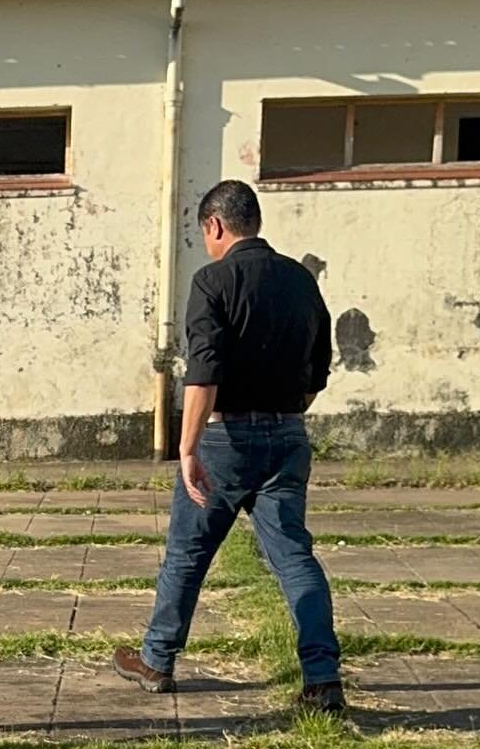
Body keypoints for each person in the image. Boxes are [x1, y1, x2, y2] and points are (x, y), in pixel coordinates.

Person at [114, 180, 345, 715]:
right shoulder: (301, 281)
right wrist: (284, 414)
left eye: (205, 233)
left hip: (225, 439)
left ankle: (156, 661)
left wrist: (188, 447)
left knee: (187, 555)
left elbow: (204, 374)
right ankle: (322, 678)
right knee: (294, 558)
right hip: (288, 435)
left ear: (215, 225)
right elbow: (318, 371)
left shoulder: (212, 281)